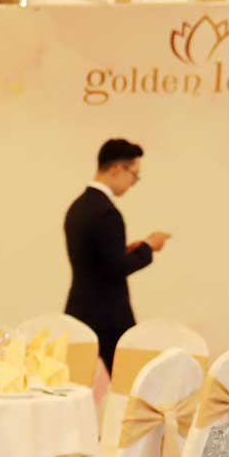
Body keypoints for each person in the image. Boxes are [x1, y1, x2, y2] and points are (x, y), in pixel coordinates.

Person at [64, 138, 170, 372]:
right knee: (128, 381)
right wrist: (149, 246)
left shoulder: (77, 207)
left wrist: (127, 250)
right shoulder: (107, 212)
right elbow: (116, 268)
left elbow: (96, 259)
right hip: (108, 316)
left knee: (77, 381)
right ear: (116, 168)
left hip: (79, 310)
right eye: (134, 175)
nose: (133, 183)